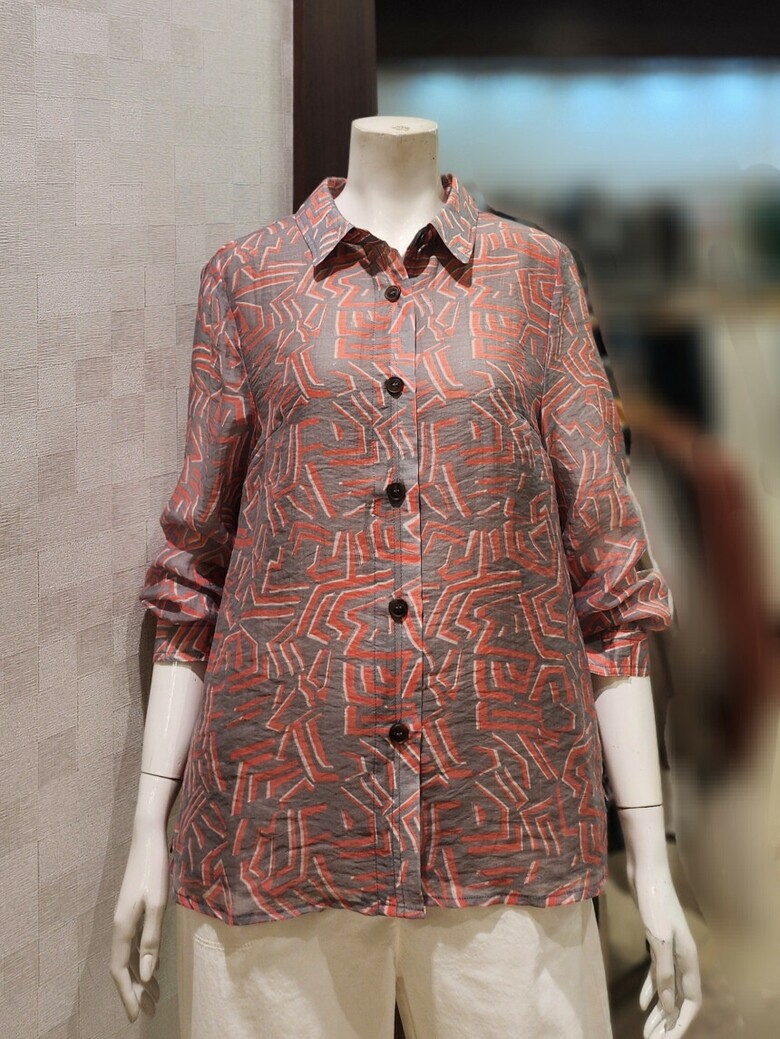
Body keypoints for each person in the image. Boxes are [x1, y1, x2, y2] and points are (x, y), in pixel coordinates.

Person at [111, 115, 701, 1038]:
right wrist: (150, 824)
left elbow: (611, 577)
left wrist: (652, 864)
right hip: (280, 826)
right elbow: (197, 570)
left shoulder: (537, 276)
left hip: (506, 829)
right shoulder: (248, 278)